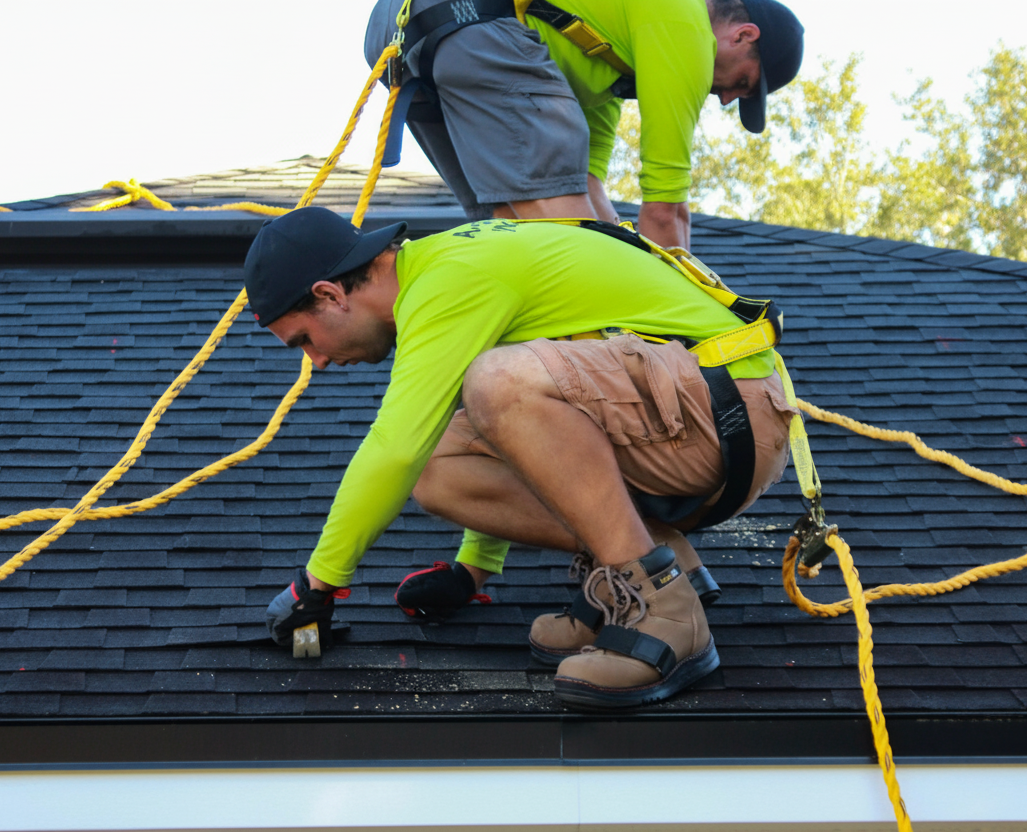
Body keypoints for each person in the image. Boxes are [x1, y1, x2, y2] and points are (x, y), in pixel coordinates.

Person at [248, 206, 797, 708]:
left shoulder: (446, 281)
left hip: (726, 410)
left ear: (328, 294)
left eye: (304, 340)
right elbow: (499, 437)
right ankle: (651, 560)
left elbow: (394, 448)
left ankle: (668, 612)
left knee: (490, 386)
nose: (317, 361)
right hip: (693, 412)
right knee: (440, 460)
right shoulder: (446, 265)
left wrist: (315, 586)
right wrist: (474, 568)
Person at [364, 0, 803, 249]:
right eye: (742, 83)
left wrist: (617, 242)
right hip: (473, 21)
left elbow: (585, 184)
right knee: (575, 256)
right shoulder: (686, 29)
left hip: (408, 36)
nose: (726, 98)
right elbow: (666, 212)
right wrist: (687, 327)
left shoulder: (603, 62)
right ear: (743, 36)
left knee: (512, 234)